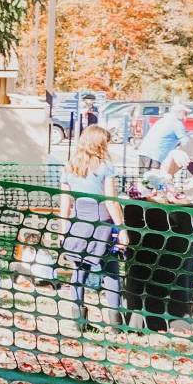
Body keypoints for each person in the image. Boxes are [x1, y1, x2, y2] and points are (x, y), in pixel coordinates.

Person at [57, 124, 126, 328]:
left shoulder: (70, 167)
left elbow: (65, 202)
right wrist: (122, 229)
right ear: (100, 144)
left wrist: (63, 230)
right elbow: (111, 201)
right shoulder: (105, 167)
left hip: (78, 225)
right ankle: (116, 324)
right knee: (112, 272)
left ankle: (79, 322)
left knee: (79, 272)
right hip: (102, 226)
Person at [136, 102, 190, 172]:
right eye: (185, 113)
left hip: (143, 152)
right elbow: (186, 142)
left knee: (143, 179)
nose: (186, 116)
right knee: (154, 179)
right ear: (179, 112)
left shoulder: (162, 120)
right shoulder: (177, 123)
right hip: (155, 156)